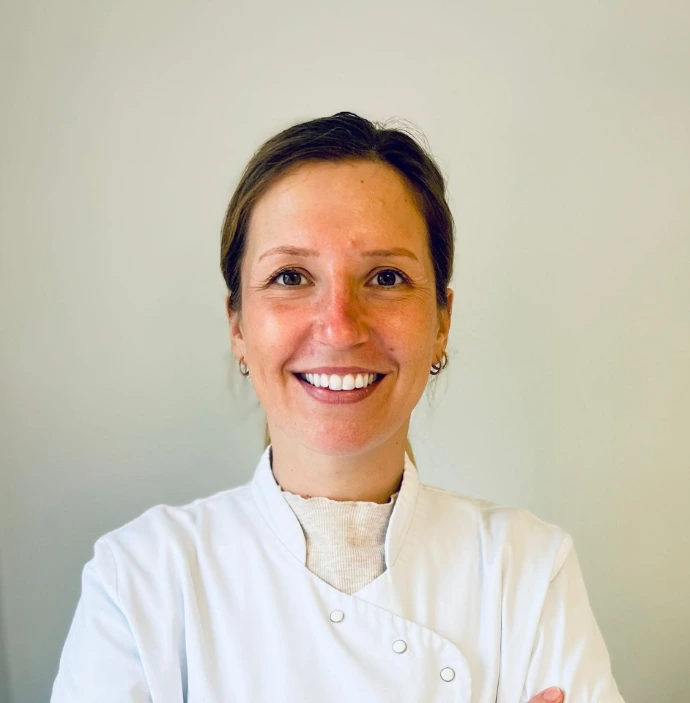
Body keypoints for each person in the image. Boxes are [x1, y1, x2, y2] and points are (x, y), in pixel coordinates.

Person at [51, 112, 625, 702]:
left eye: (386, 277)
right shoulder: (138, 578)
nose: (340, 326)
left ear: (442, 322)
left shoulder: (527, 570)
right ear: (238, 326)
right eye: (291, 277)